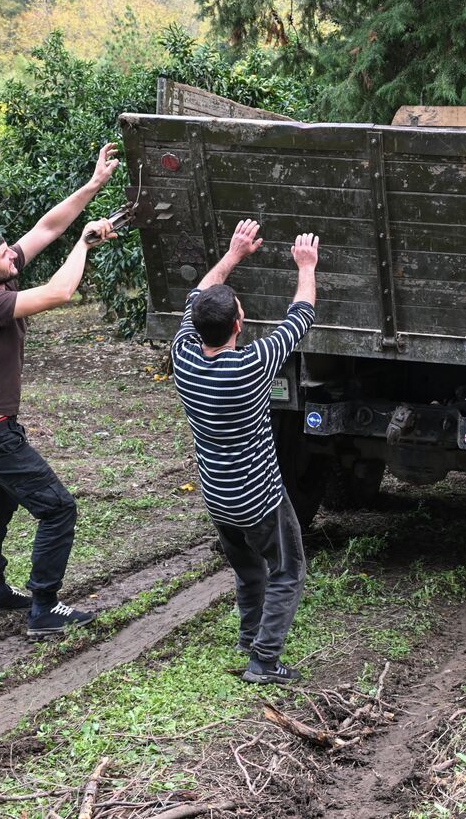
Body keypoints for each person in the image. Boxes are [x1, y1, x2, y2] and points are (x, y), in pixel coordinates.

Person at [0, 143, 121, 640]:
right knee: (58, 508)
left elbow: (47, 228)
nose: (12, 252)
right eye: (3, 252)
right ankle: (45, 607)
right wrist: (85, 245)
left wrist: (93, 186)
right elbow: (59, 293)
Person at [171, 219, 319, 685]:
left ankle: (248, 636)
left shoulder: (183, 354)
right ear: (240, 323)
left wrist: (233, 254)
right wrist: (306, 265)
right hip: (258, 499)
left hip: (217, 497)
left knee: (248, 570)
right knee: (287, 571)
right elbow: (302, 315)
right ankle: (264, 660)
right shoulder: (251, 365)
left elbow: (200, 291)